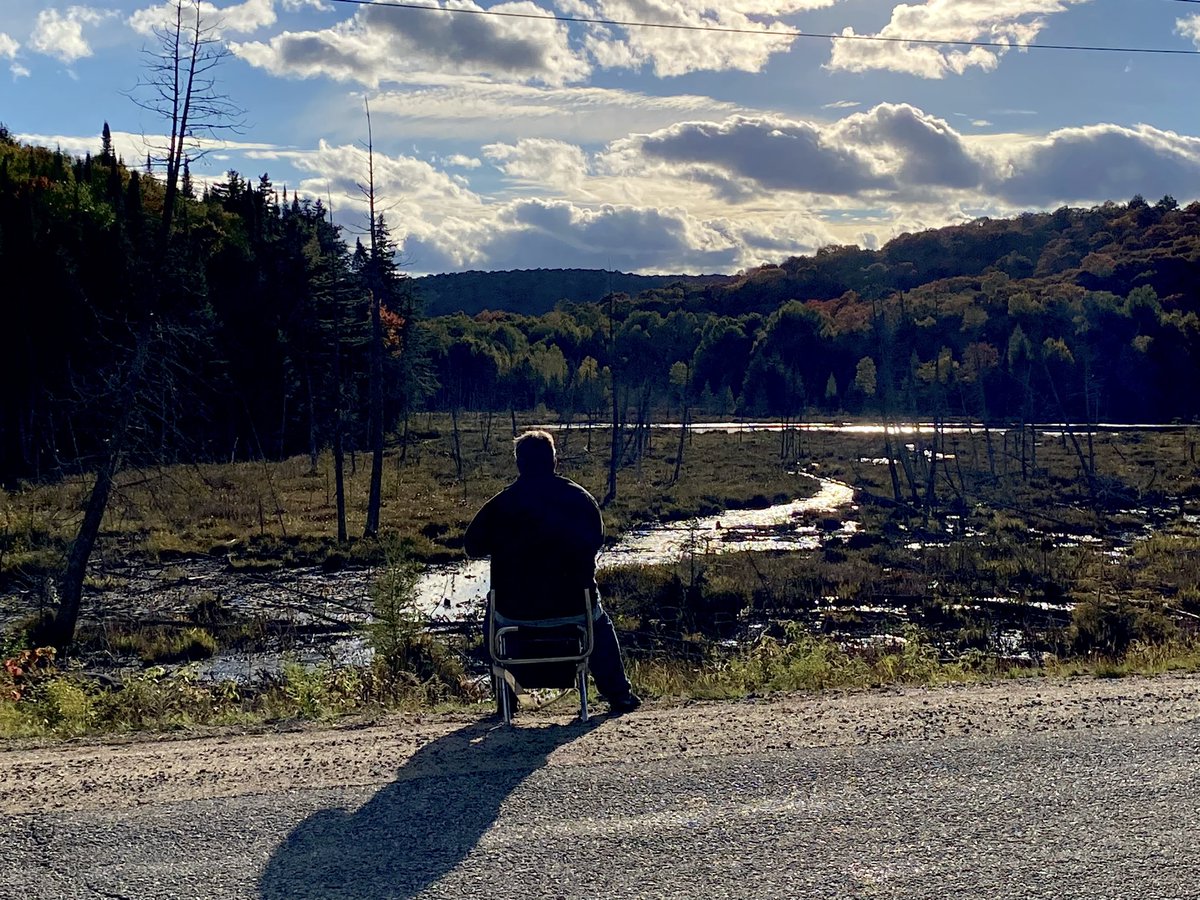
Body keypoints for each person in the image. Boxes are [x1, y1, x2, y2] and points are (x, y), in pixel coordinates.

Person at [465, 430, 641, 714]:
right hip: (574, 609)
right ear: (554, 461)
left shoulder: (501, 504)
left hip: (514, 612)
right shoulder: (579, 499)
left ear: (519, 463)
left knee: (492, 618)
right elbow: (597, 540)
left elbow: (471, 546)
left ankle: (506, 700)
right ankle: (618, 694)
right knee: (600, 623)